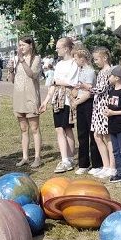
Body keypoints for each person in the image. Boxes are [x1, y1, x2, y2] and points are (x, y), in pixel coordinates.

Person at [40, 37, 80, 172]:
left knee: (67, 128)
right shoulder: (60, 64)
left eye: (58, 48)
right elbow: (53, 84)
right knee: (59, 129)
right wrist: (46, 101)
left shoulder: (74, 63)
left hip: (68, 99)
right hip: (57, 99)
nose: (56, 50)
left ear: (66, 49)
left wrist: (57, 82)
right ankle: (64, 159)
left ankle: (70, 158)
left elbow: (72, 82)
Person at [12, 36, 43, 169]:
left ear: (30, 45)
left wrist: (22, 60)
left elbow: (32, 74)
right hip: (19, 98)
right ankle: (25, 157)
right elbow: (13, 80)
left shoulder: (36, 59)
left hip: (31, 97)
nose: (21, 47)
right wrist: (10, 70)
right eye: (19, 45)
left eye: (23, 45)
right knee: (23, 129)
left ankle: (37, 157)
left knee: (34, 128)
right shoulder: (17, 60)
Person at [71, 47, 101, 176]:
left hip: (88, 103)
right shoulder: (81, 70)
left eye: (76, 58)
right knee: (82, 134)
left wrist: (76, 102)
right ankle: (83, 163)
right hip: (80, 102)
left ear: (82, 58)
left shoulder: (90, 72)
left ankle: (97, 163)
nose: (75, 61)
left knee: (92, 134)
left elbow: (89, 92)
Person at [86, 47, 115, 178]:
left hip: (105, 107)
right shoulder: (101, 72)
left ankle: (112, 167)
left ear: (105, 58)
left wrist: (87, 88)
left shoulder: (109, 71)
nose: (95, 62)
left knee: (107, 137)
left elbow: (101, 89)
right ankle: (106, 165)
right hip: (98, 107)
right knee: (97, 136)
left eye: (97, 59)